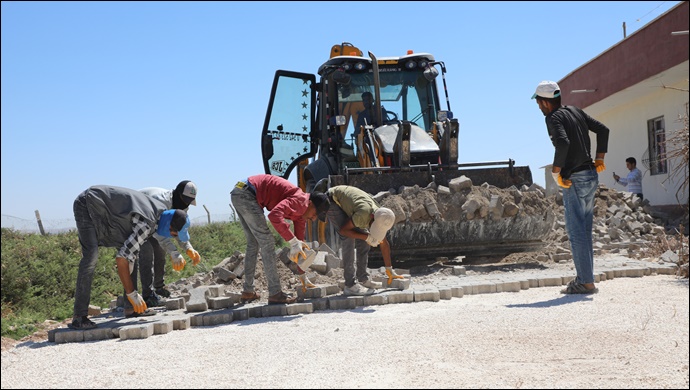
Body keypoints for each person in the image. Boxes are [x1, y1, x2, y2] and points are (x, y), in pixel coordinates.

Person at [70, 185, 191, 329]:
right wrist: (132, 293)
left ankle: (132, 308)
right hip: (88, 204)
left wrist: (180, 250)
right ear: (169, 227)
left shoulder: (161, 214)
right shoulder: (146, 223)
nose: (172, 237)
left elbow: (132, 253)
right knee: (91, 257)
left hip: (107, 213)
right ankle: (79, 316)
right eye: (174, 234)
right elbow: (121, 260)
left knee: (133, 254)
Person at [532, 80, 609, 295]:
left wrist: (556, 172)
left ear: (545, 103)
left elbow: (563, 143)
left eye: (538, 103)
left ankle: (585, 282)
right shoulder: (575, 111)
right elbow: (603, 130)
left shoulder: (553, 117)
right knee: (584, 231)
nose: (539, 107)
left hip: (573, 178)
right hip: (591, 176)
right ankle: (586, 279)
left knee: (577, 233)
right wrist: (599, 157)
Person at [230, 174, 331, 304]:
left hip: (240, 191)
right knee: (267, 242)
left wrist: (302, 273)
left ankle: (248, 292)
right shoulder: (301, 200)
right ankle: (275, 293)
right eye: (315, 213)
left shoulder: (302, 215)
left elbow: (299, 245)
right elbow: (274, 216)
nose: (314, 218)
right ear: (310, 204)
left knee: (253, 243)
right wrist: (293, 242)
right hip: (247, 194)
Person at [325, 185, 403, 296]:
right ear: (373, 218)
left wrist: (389, 269)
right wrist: (367, 237)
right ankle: (350, 285)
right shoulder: (363, 214)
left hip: (354, 206)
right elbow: (344, 231)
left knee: (364, 239)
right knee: (349, 238)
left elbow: (384, 242)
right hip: (333, 200)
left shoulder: (381, 214)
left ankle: (363, 279)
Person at [136, 180, 201, 307]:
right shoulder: (160, 202)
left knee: (160, 250)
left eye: (189, 201)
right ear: (178, 194)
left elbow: (179, 228)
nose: (186, 204)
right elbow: (159, 234)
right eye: (185, 200)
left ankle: (159, 287)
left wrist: (188, 248)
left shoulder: (182, 205)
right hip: (139, 219)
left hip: (153, 224)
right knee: (147, 250)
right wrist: (174, 252)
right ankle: (147, 295)